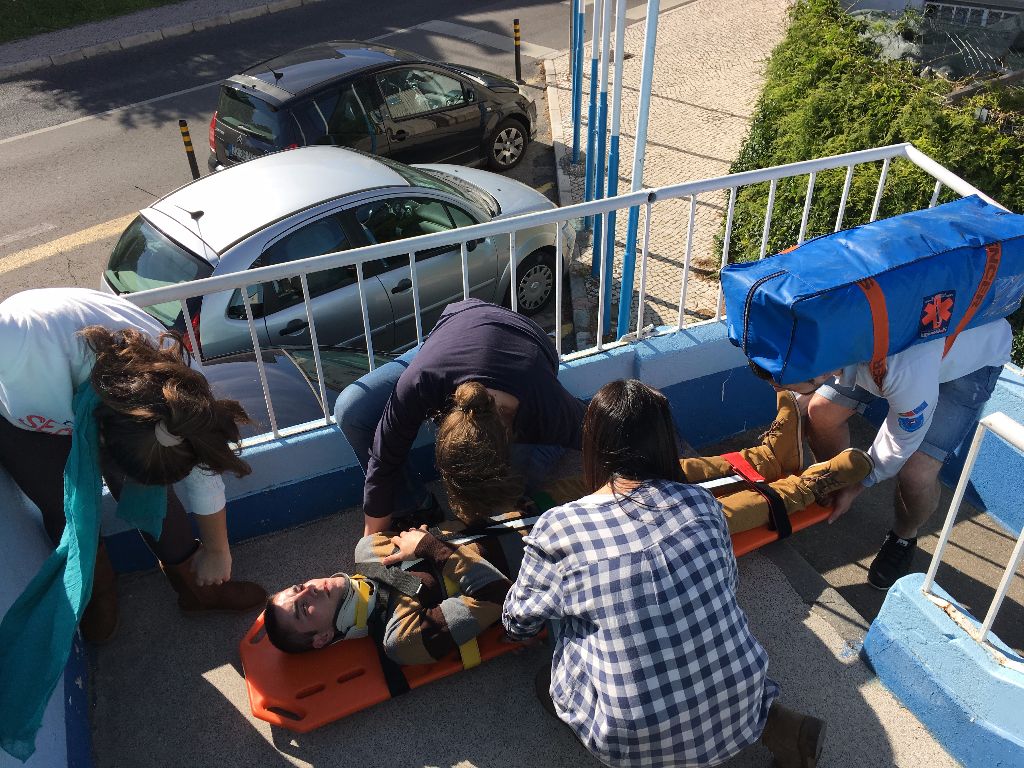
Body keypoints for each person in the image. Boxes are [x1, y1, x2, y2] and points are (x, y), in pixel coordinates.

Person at [267, 383, 869, 672]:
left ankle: (767, 458)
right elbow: (498, 601)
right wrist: (433, 549)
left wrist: (438, 544)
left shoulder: (367, 551)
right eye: (304, 610)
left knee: (653, 474)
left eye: (296, 589)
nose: (308, 591)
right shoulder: (402, 639)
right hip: (560, 562)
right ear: (322, 639)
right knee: (704, 519)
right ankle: (817, 481)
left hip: (527, 514)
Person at [501, 380, 859, 768]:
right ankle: (778, 727)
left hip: (631, 743)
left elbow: (518, 622)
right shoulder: (702, 502)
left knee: (561, 625)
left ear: (592, 446)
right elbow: (728, 583)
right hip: (747, 696)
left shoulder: (559, 528)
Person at [0, 288, 267, 643]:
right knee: (61, 505)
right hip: (22, 418)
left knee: (152, 496)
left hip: (99, 401)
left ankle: (195, 589)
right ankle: (96, 592)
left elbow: (203, 472)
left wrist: (217, 550)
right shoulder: (14, 337)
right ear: (107, 434)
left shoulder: (178, 382)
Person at [749, 317, 1010, 590]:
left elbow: (901, 440)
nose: (780, 391)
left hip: (969, 360)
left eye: (786, 386)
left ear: (821, 372)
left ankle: (903, 537)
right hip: (900, 346)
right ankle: (834, 482)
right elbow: (805, 393)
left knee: (917, 472)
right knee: (821, 411)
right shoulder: (821, 334)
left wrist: (860, 484)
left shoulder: (900, 370)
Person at [334, 298, 587, 536]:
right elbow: (383, 461)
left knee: (505, 503)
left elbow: (606, 442)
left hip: (527, 340)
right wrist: (371, 546)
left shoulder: (547, 405)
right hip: (456, 330)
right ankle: (416, 508)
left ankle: (551, 446)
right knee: (353, 410)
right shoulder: (420, 382)